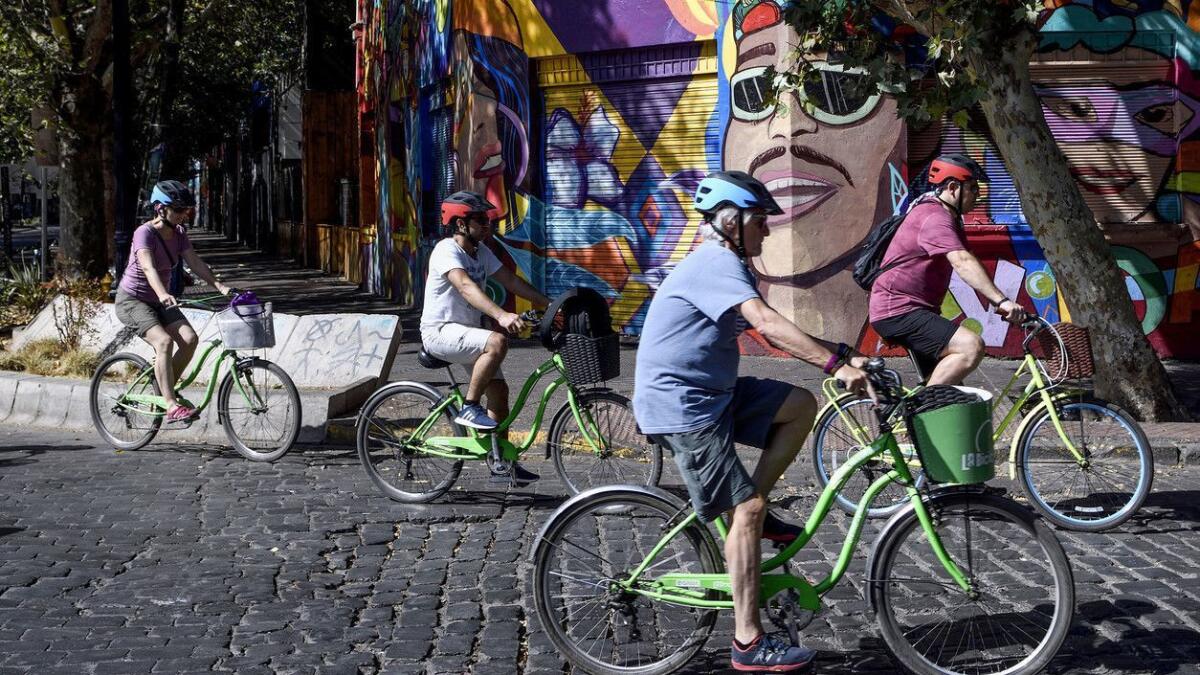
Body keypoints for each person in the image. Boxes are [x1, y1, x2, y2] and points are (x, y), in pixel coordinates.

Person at [633, 171, 871, 672]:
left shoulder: (725, 263)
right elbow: (765, 322)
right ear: (729, 221)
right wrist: (837, 367)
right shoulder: (716, 262)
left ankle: (754, 518)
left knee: (800, 404)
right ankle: (747, 644)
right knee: (747, 508)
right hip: (684, 405)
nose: (766, 231)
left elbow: (770, 329)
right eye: (760, 221)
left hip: (712, 394)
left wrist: (843, 352)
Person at [420, 190, 551, 482]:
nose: (486, 223)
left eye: (486, 218)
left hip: (466, 334)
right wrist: (502, 316)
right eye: (479, 219)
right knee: (497, 340)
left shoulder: (481, 252)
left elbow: (511, 280)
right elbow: (466, 286)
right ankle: (469, 407)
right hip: (440, 332)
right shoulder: (446, 250)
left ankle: (499, 461)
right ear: (460, 224)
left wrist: (549, 304)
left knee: (500, 392)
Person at [869, 153, 1029, 384]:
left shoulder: (947, 217)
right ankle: (924, 405)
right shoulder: (934, 217)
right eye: (973, 188)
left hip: (911, 310)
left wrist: (999, 302)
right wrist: (1001, 301)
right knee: (970, 347)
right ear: (953, 187)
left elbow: (971, 263)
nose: (978, 196)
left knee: (953, 392)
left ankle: (926, 409)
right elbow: (962, 262)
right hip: (899, 310)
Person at [114, 180, 232, 423]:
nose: (183, 215)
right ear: (160, 209)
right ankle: (170, 405)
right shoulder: (144, 233)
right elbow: (147, 266)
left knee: (190, 339)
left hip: (160, 300)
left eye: (185, 210)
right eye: (178, 210)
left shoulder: (179, 234)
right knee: (164, 342)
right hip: (133, 301)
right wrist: (162, 294)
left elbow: (195, 262)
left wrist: (219, 286)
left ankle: (166, 386)